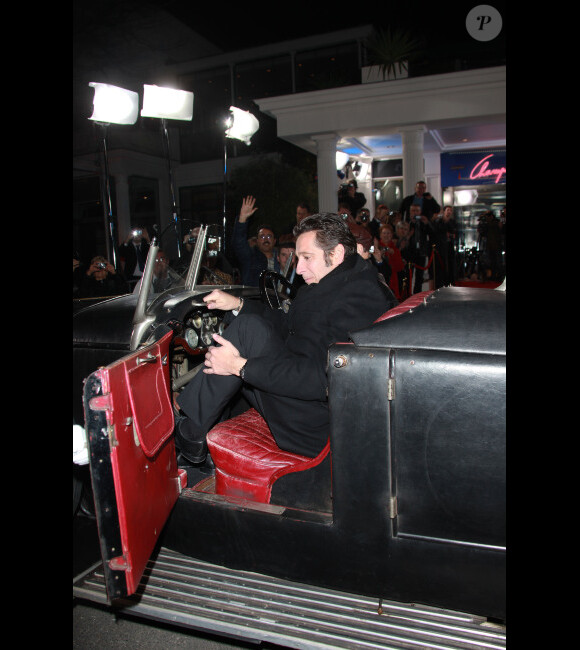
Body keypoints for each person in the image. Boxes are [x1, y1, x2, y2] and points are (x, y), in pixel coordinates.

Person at [174, 212, 397, 464]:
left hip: (320, 423)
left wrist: (239, 366)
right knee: (248, 326)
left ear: (335, 254)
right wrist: (237, 304)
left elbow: (324, 377)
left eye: (307, 258)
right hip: (308, 396)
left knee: (244, 335)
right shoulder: (337, 280)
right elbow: (289, 326)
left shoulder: (360, 298)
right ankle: (194, 429)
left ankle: (190, 431)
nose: (299, 268)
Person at [232, 196, 281, 286]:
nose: (266, 239)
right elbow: (239, 244)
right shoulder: (250, 257)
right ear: (257, 241)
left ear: (274, 241)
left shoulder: (281, 258)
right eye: (262, 237)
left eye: (269, 236)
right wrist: (242, 219)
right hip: (254, 299)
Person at [373, 224, 405, 300]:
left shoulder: (395, 249)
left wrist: (393, 255)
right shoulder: (376, 247)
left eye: (388, 233)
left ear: (392, 235)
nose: (386, 235)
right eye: (384, 233)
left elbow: (400, 267)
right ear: (380, 235)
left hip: (392, 279)